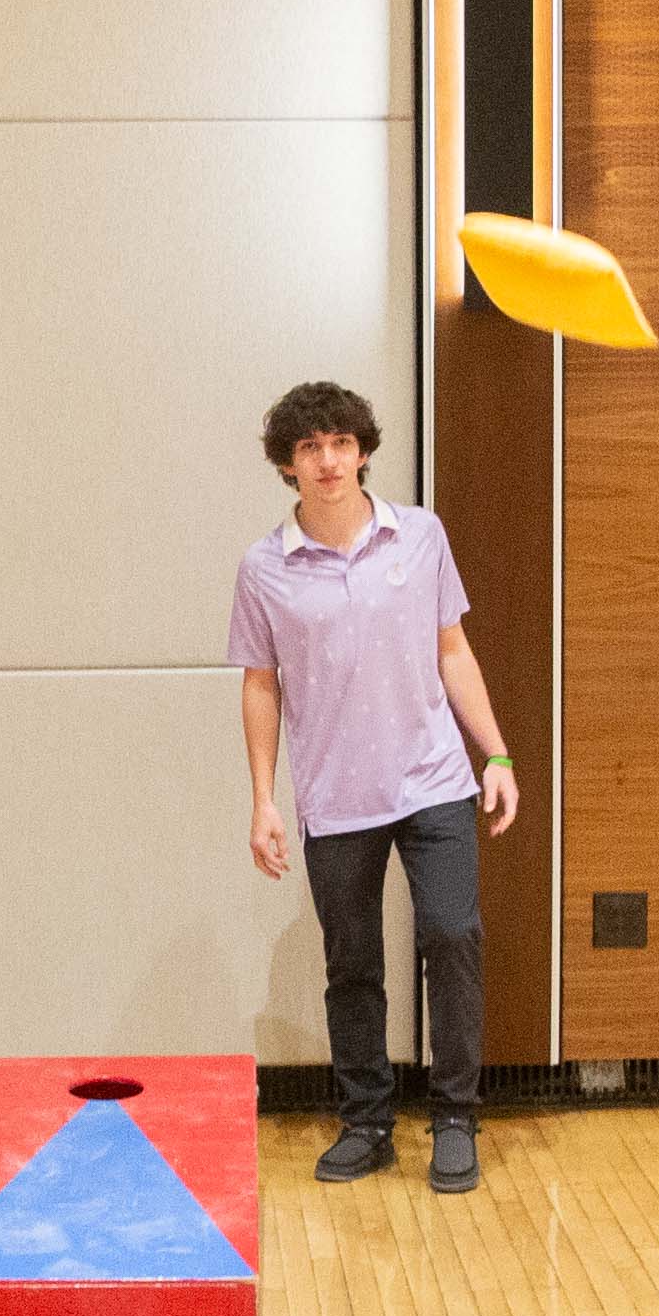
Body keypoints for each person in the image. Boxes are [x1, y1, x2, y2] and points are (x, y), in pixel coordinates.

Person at [230, 379, 518, 1192]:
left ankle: (456, 1117)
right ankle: (367, 1122)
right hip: (336, 798)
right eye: (310, 448)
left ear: (363, 452)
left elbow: (451, 649)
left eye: (341, 444)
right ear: (288, 465)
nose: (328, 461)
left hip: (434, 781)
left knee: (453, 936)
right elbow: (261, 684)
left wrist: (495, 755)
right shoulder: (265, 568)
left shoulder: (420, 536)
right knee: (352, 964)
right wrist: (262, 800)